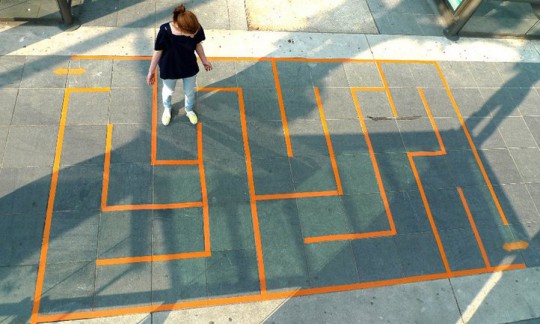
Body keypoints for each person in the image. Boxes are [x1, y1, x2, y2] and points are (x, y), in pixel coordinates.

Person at [146, 4, 212, 126]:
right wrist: (151, 71)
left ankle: (189, 109)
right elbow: (158, 51)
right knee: (168, 92)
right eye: (190, 34)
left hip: (188, 66)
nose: (193, 36)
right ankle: (167, 108)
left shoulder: (194, 27)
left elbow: (198, 44)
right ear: (181, 28)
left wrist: (204, 60)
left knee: (189, 92)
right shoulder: (165, 31)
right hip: (169, 68)